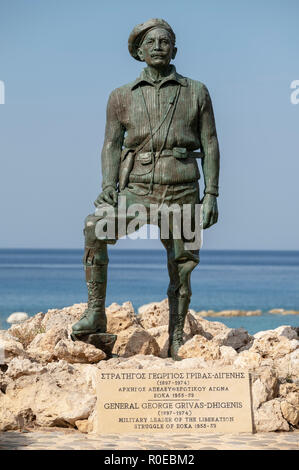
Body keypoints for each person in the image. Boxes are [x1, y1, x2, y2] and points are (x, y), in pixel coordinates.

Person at [72, 18, 220, 360]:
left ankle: (178, 337)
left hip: (183, 189)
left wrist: (211, 194)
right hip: (137, 189)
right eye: (150, 42)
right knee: (96, 227)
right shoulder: (121, 96)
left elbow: (210, 143)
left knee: (182, 265)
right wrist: (108, 186)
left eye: (164, 41)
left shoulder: (196, 91)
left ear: (175, 49)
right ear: (138, 52)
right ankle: (96, 311)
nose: (158, 46)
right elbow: (110, 145)